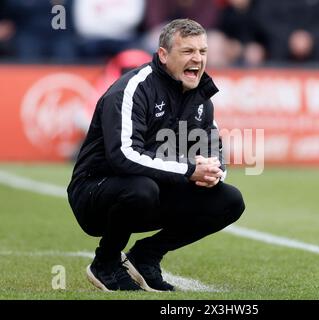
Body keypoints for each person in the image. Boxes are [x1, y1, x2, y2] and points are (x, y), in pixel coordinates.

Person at [67, 18, 245, 292]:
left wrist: (213, 173)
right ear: (163, 55)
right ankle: (105, 263)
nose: (197, 59)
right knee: (142, 187)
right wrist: (188, 170)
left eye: (202, 52)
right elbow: (124, 156)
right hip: (95, 193)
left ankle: (146, 256)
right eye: (187, 51)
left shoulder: (201, 98)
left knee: (230, 200)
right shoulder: (133, 88)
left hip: (151, 191)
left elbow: (213, 149)